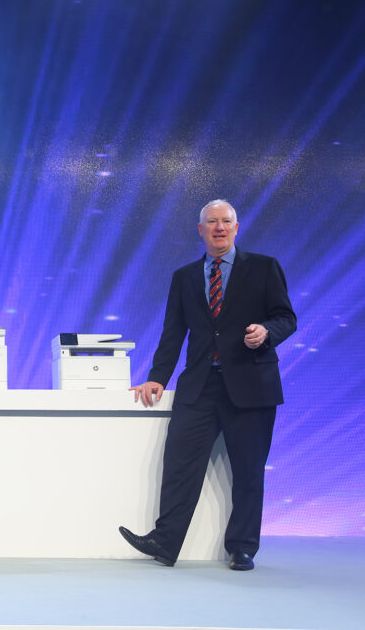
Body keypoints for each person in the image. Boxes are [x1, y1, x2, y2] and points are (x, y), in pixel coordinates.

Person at [120, 199, 296, 571]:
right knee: (179, 464)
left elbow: (286, 318)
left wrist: (266, 332)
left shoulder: (264, 267)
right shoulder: (184, 276)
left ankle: (242, 548)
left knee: (248, 472)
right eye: (212, 222)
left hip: (251, 386)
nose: (219, 227)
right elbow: (173, 332)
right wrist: (157, 377)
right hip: (199, 385)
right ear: (200, 230)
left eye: (226, 221)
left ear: (236, 227)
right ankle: (165, 542)